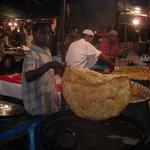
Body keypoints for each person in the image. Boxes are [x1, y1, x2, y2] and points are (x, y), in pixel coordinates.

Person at [22, 23, 64, 116]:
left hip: (48, 101)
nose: (47, 36)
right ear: (34, 33)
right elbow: (28, 76)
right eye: (42, 33)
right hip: (36, 104)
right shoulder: (31, 55)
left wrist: (59, 68)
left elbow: (48, 73)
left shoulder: (47, 51)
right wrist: (49, 65)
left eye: (48, 33)